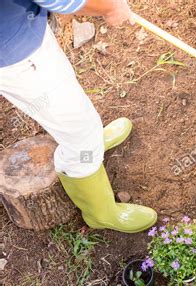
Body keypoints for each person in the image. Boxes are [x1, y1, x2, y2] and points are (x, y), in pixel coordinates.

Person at [0, 0, 157, 233]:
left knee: (64, 95)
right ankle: (100, 213)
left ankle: (90, 145)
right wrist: (110, 7)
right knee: (78, 131)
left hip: (22, 33)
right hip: (17, 55)